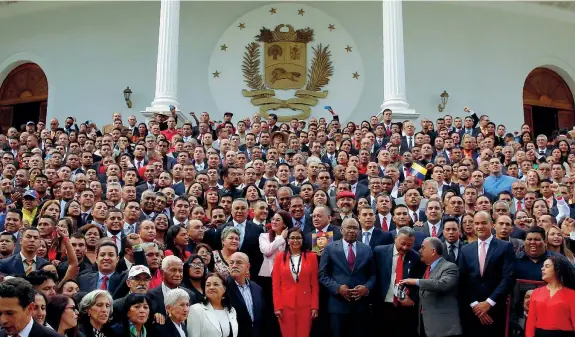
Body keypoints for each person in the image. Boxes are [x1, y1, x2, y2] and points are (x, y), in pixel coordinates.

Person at [458, 211, 516, 337]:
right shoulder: (465, 249)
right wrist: (475, 305)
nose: (479, 226)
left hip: (496, 309)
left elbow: (508, 278)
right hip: (472, 310)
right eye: (476, 223)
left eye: (483, 223)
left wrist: (489, 303)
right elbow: (463, 280)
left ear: (492, 224)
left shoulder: (505, 247)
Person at [318, 218, 376, 337]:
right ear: (341, 229)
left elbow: (373, 274)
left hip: (360, 306)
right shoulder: (330, 248)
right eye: (349, 227)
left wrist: (366, 288)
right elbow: (322, 274)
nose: (352, 230)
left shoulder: (366, 249)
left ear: (359, 231)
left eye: (355, 228)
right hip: (338, 305)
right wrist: (338, 288)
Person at [400, 237, 462, 337]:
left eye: (423, 248)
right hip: (425, 327)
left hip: (444, 328)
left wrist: (416, 281)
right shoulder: (427, 270)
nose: (419, 250)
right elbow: (427, 295)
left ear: (433, 251)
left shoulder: (449, 267)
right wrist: (412, 302)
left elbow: (442, 284)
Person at [373, 226, 425, 337]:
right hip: (382, 306)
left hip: (404, 309)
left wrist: (413, 300)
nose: (405, 247)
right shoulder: (379, 252)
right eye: (402, 243)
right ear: (396, 238)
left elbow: (418, 283)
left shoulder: (416, 258)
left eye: (409, 245)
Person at [272, 227, 319, 337]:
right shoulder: (279, 257)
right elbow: (276, 285)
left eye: (298, 238)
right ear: (287, 240)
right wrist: (277, 307)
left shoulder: (312, 257)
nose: (295, 240)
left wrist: (314, 306)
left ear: (303, 240)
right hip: (285, 305)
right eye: (292, 238)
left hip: (305, 305)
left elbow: (315, 285)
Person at [526, 255, 575, 337]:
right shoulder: (536, 293)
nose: (542, 269)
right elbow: (530, 323)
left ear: (557, 269)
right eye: (542, 266)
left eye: (547, 266)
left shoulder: (572, 294)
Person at [225, 252, 266, 337]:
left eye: (239, 262)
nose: (234, 265)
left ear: (247, 267)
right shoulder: (223, 287)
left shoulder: (257, 288)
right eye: (231, 263)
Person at [186, 272, 239, 337]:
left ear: (224, 289)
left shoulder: (231, 310)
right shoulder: (196, 310)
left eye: (216, 284)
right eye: (208, 285)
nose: (211, 287)